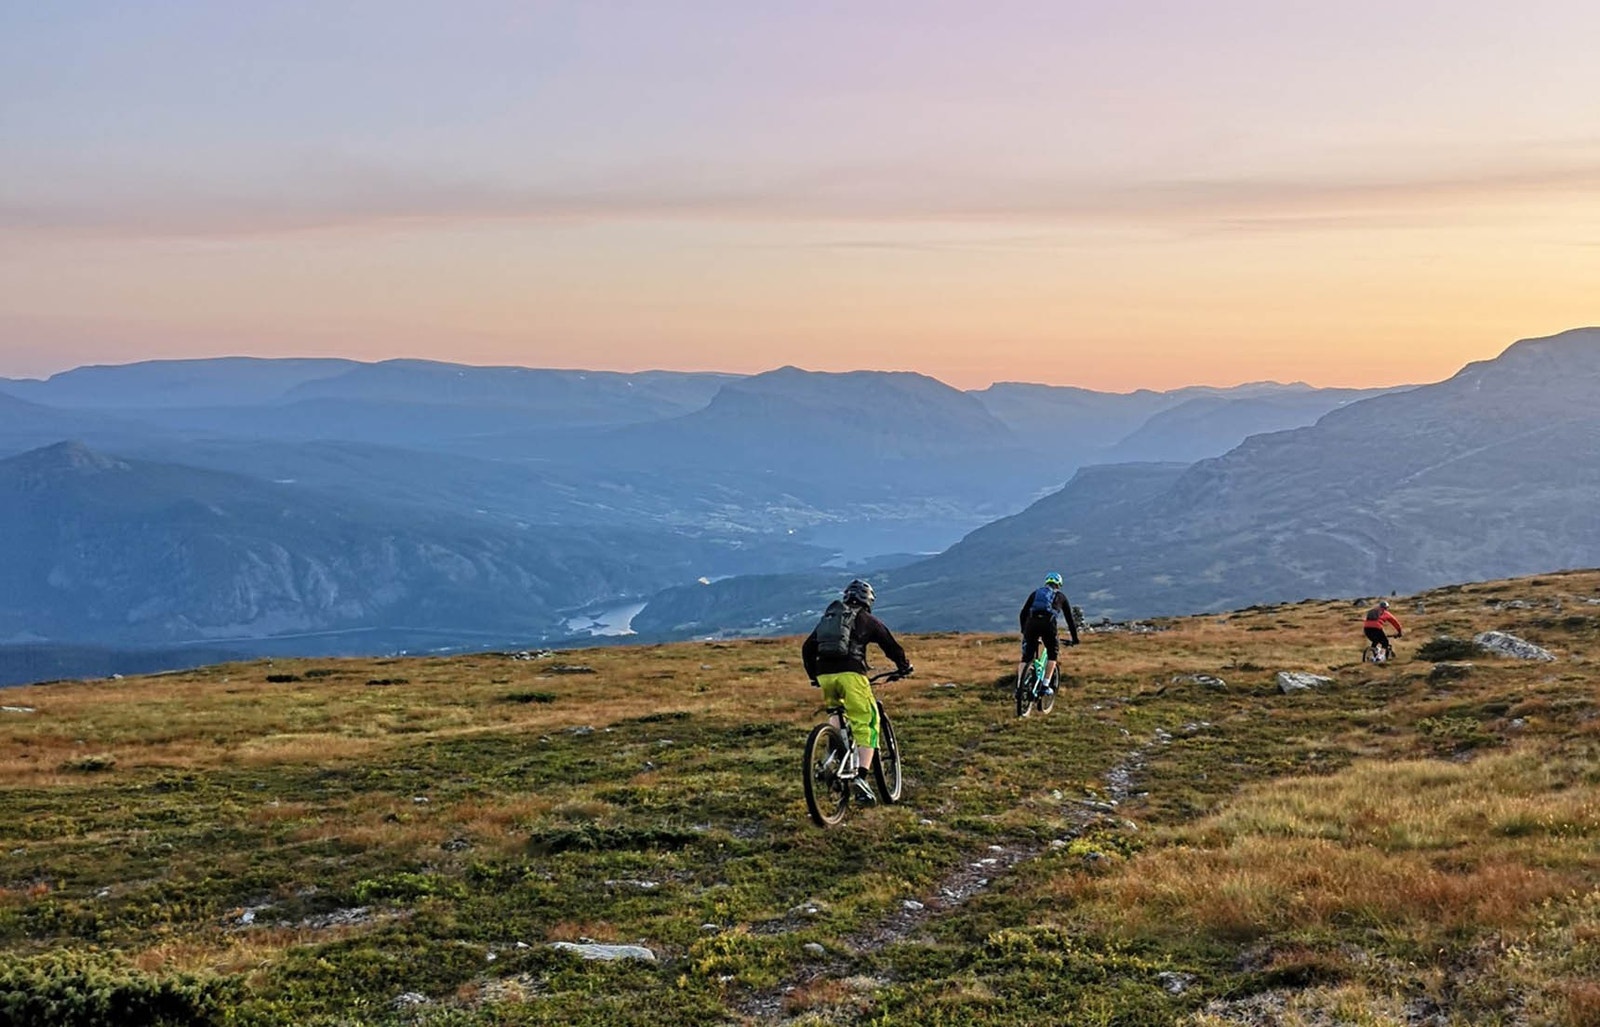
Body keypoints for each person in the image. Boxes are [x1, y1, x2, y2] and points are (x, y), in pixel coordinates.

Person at [801, 579, 913, 806]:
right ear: (867, 600)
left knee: (836, 712)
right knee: (868, 720)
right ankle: (860, 778)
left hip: (825, 674)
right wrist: (903, 666)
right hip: (851, 674)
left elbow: (807, 647)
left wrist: (814, 676)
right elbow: (889, 643)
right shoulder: (866, 619)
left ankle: (835, 750)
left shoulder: (830, 618)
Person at [1017, 572, 1080, 694]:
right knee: (1052, 654)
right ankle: (1045, 685)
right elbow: (1070, 620)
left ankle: (1020, 686)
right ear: (1059, 584)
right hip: (1048, 625)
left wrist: (1024, 631)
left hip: (1031, 624)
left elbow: (1023, 613)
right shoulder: (1061, 597)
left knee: (1026, 658)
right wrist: (1075, 638)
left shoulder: (1035, 593)